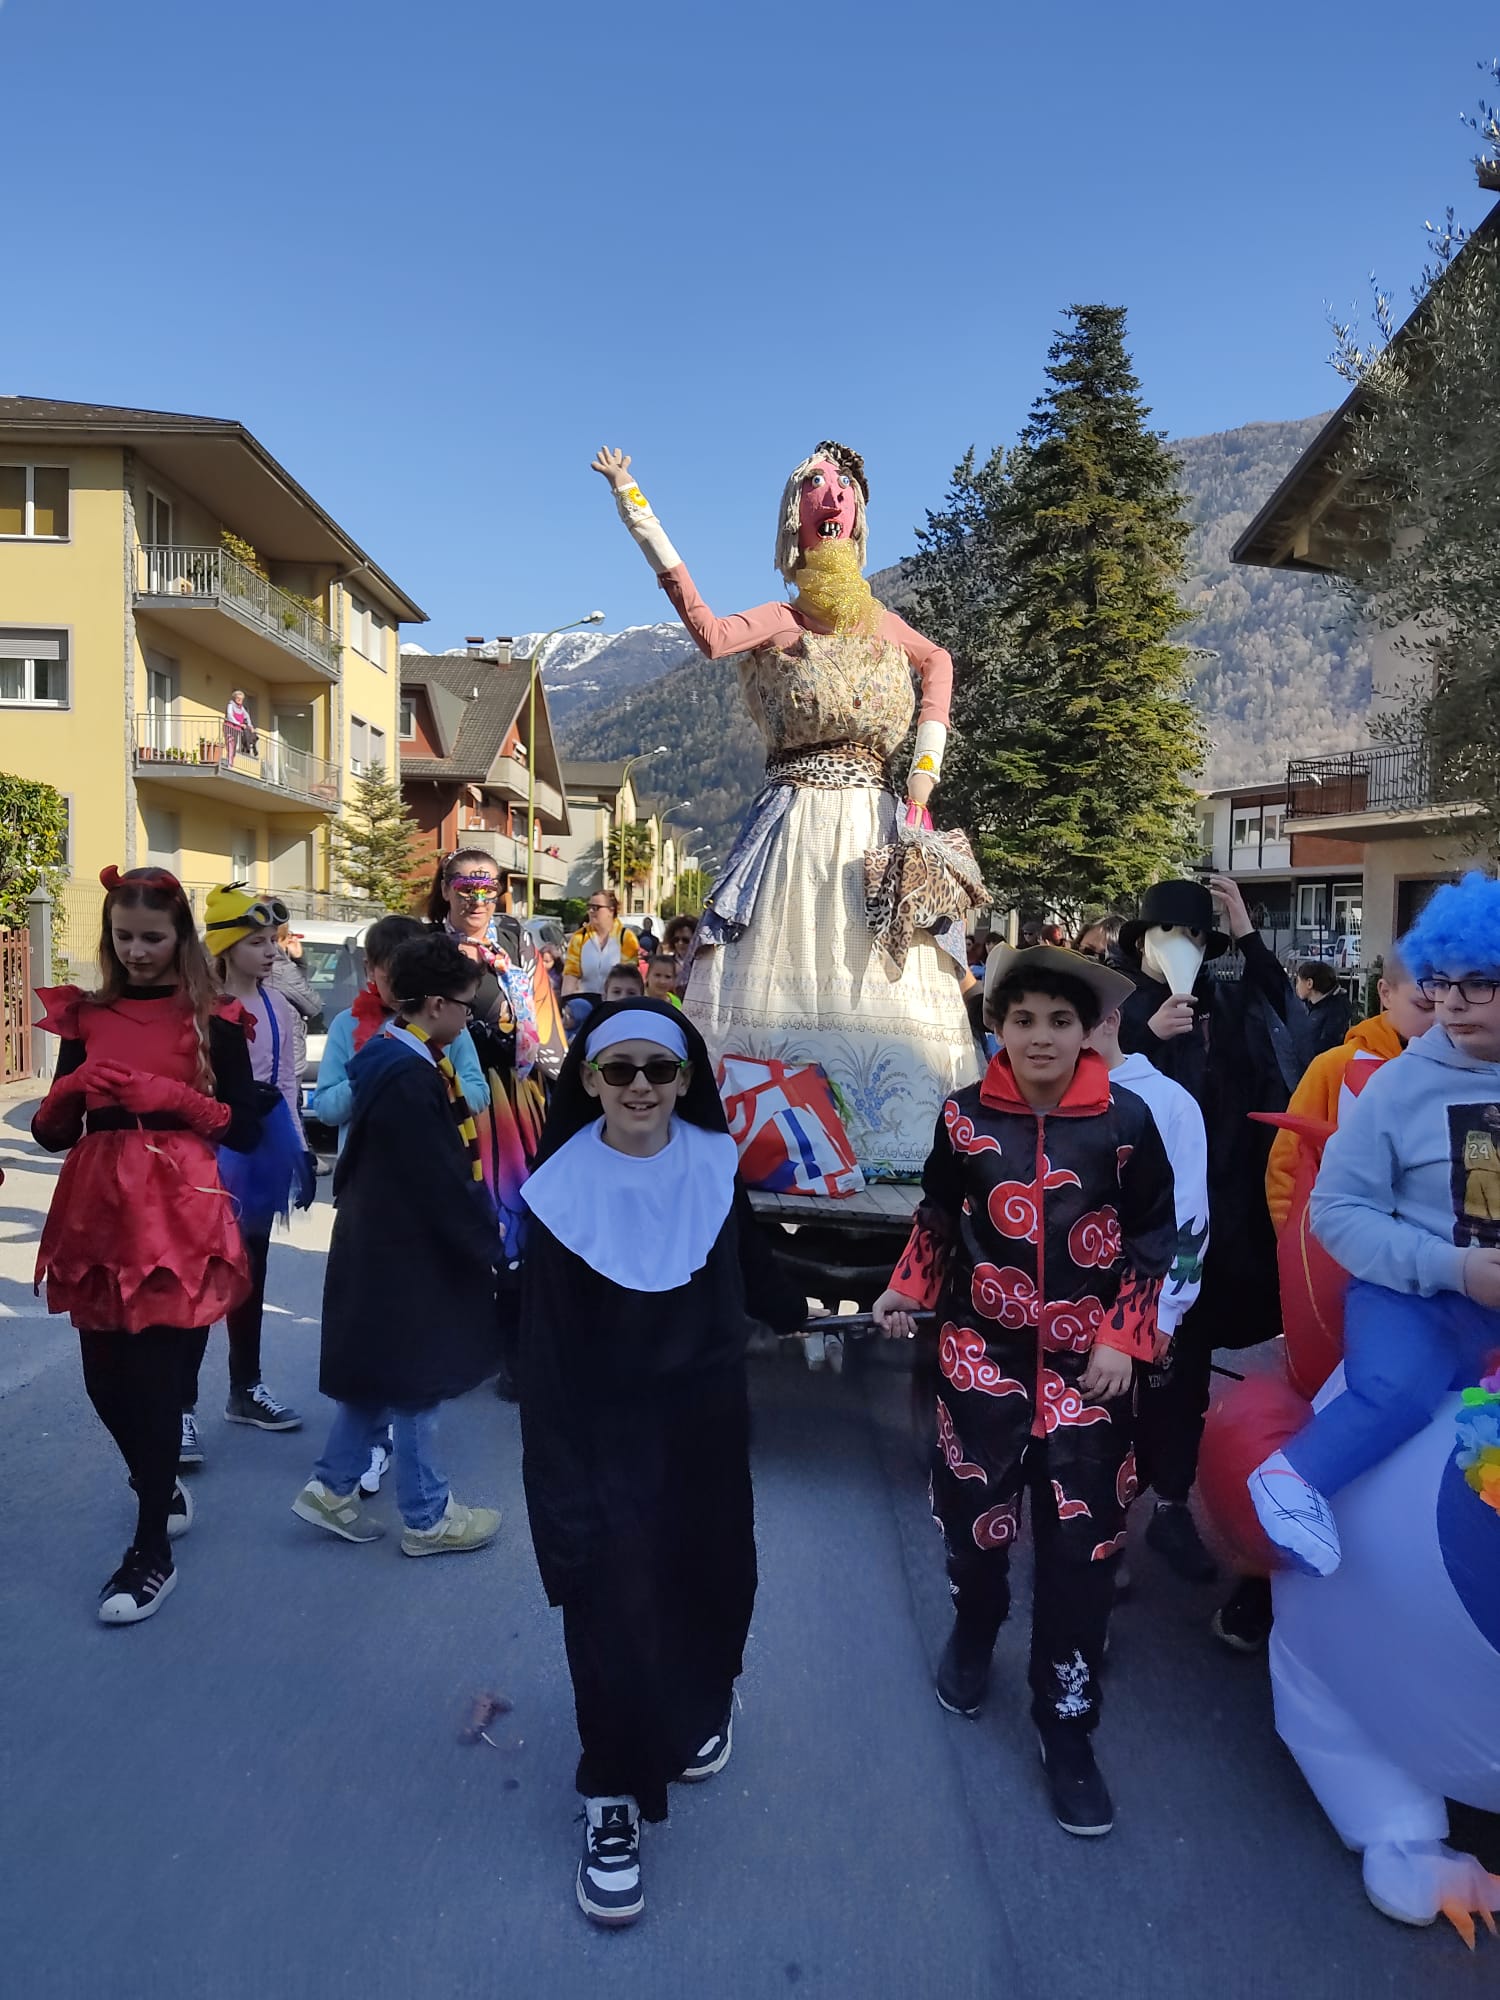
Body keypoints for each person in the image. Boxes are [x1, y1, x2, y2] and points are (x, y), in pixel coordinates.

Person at [592, 442, 978, 1176]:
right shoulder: (780, 617)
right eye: (813, 487)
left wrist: (923, 782)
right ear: (792, 518)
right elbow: (708, 632)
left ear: (859, 514)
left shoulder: (885, 626)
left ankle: (895, 1145)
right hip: (795, 823)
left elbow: (939, 664)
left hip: (874, 823)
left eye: (842, 488)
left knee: (886, 973)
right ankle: (773, 1138)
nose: (830, 497)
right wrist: (632, 504)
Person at [873, 945, 1177, 1836]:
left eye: (1060, 1019)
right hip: (980, 1363)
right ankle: (976, 1625)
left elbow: (1160, 1235)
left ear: (1089, 1031)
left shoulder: (1127, 1122)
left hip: (1092, 1378)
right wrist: (907, 1288)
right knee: (973, 1526)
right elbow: (936, 1215)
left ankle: (1067, 1725)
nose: (1040, 1036)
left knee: (1082, 1559)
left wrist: (1127, 1333)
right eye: (1023, 1019)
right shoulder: (963, 1119)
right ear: (996, 1026)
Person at [516, 999, 805, 1925]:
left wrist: (867, 1302)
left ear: (688, 1079)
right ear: (590, 1080)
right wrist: (557, 1493)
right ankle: (609, 1794)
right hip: (602, 1439)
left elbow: (762, 1278)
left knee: (716, 1589)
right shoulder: (560, 1193)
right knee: (611, 1611)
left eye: (659, 1070)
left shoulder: (716, 1165)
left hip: (706, 1430)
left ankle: (691, 1714)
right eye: (618, 1070)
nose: (640, 1086)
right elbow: (544, 1358)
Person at [1249, 873, 1500, 1576]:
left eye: (1478, 982)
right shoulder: (1398, 1085)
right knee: (1396, 1387)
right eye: (1442, 981)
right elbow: (1335, 1212)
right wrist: (1452, 1269)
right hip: (1412, 1299)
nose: (1451, 1001)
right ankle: (1293, 1477)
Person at [30, 866, 262, 1623]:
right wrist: (65, 1093)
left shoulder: (215, 1016)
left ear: (181, 938)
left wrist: (175, 1099)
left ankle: (149, 1552)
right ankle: (159, 1486)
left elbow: (245, 1125)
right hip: (97, 1203)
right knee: (103, 1381)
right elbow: (52, 1134)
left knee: (159, 1382)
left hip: (177, 1209)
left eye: (152, 938)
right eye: (124, 937)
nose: (136, 951)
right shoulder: (85, 1015)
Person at [1207, 942, 1435, 1653]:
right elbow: (1286, 1171)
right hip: (1336, 1297)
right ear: (1386, 999)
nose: (1442, 1008)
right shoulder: (1337, 1068)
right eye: (1424, 997)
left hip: (1439, 1294)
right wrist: (1306, 1258)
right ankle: (1262, 1589)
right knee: (1322, 1425)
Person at [293, 934, 503, 1555]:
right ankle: (427, 1516)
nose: (470, 1017)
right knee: (418, 1385)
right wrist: (486, 1244)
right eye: (466, 1006)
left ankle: (331, 1489)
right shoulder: (411, 1074)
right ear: (435, 1004)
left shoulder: (389, 1053)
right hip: (406, 1253)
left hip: (378, 1244)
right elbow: (437, 1179)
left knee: (379, 1378)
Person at [1114, 873, 1293, 1583]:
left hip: (1210, 1227)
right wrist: (1143, 1037)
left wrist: (1246, 928)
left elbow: (1285, 1015)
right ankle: (1103, 1525)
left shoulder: (1222, 1005)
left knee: (1184, 1375)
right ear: (1143, 944)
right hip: (1134, 1222)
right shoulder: (1120, 1009)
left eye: (1194, 937)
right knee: (1120, 1372)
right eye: (1169, 937)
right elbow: (1084, 1086)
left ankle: (1169, 1509)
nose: (1182, 949)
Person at [179, 885, 310, 1455]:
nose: (272, 953)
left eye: (274, 941)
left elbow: (286, 1083)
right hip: (211, 1154)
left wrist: (299, 1150)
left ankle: (245, 1388)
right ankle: (178, 1406)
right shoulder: (198, 1006)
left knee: (250, 1277)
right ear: (228, 946)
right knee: (199, 1280)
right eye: (258, 942)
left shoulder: (279, 1006)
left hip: (262, 1150)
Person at [313, 916, 486, 1157]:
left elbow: (480, 1094)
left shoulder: (445, 1020)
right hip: (367, 1172)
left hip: (434, 1163)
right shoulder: (346, 1024)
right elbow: (325, 1108)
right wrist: (368, 1077)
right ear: (369, 970)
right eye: (390, 978)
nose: (401, 989)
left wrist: (437, 1080)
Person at [562, 890, 640, 1019]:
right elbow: (570, 976)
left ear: (611, 910)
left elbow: (630, 978)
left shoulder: (626, 937)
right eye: (589, 907)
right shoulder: (579, 937)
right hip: (585, 1008)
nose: (591, 911)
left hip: (616, 1008)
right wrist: (567, 1004)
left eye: (596, 908)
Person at [1290, 959, 1353, 1075]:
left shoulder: (1335, 1010)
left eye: (1298, 981)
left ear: (1309, 983)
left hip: (1321, 1072)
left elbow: (1326, 1044)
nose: (1296, 987)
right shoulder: (1311, 1006)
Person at [661, 914, 697, 996]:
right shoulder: (667, 963)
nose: (680, 943)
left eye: (685, 940)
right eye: (676, 939)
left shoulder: (702, 964)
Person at [224, 690, 256, 764]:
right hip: (229, 727)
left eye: (241, 699)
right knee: (230, 744)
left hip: (236, 729)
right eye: (238, 698)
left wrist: (250, 726)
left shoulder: (241, 708)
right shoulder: (231, 705)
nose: (239, 700)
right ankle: (229, 763)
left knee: (234, 746)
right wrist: (239, 724)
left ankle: (231, 762)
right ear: (234, 698)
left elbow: (247, 716)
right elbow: (229, 716)